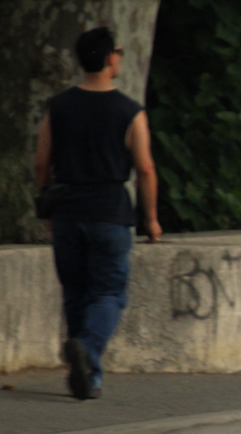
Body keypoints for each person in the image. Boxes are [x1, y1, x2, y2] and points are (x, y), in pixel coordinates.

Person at [33, 27, 161, 401]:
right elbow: (146, 168)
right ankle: (88, 353)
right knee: (108, 292)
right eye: (118, 51)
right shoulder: (129, 111)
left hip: (68, 212)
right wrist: (151, 218)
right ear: (109, 59)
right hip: (110, 212)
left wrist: (46, 203)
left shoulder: (58, 107)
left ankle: (87, 375)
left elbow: (42, 163)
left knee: (75, 292)